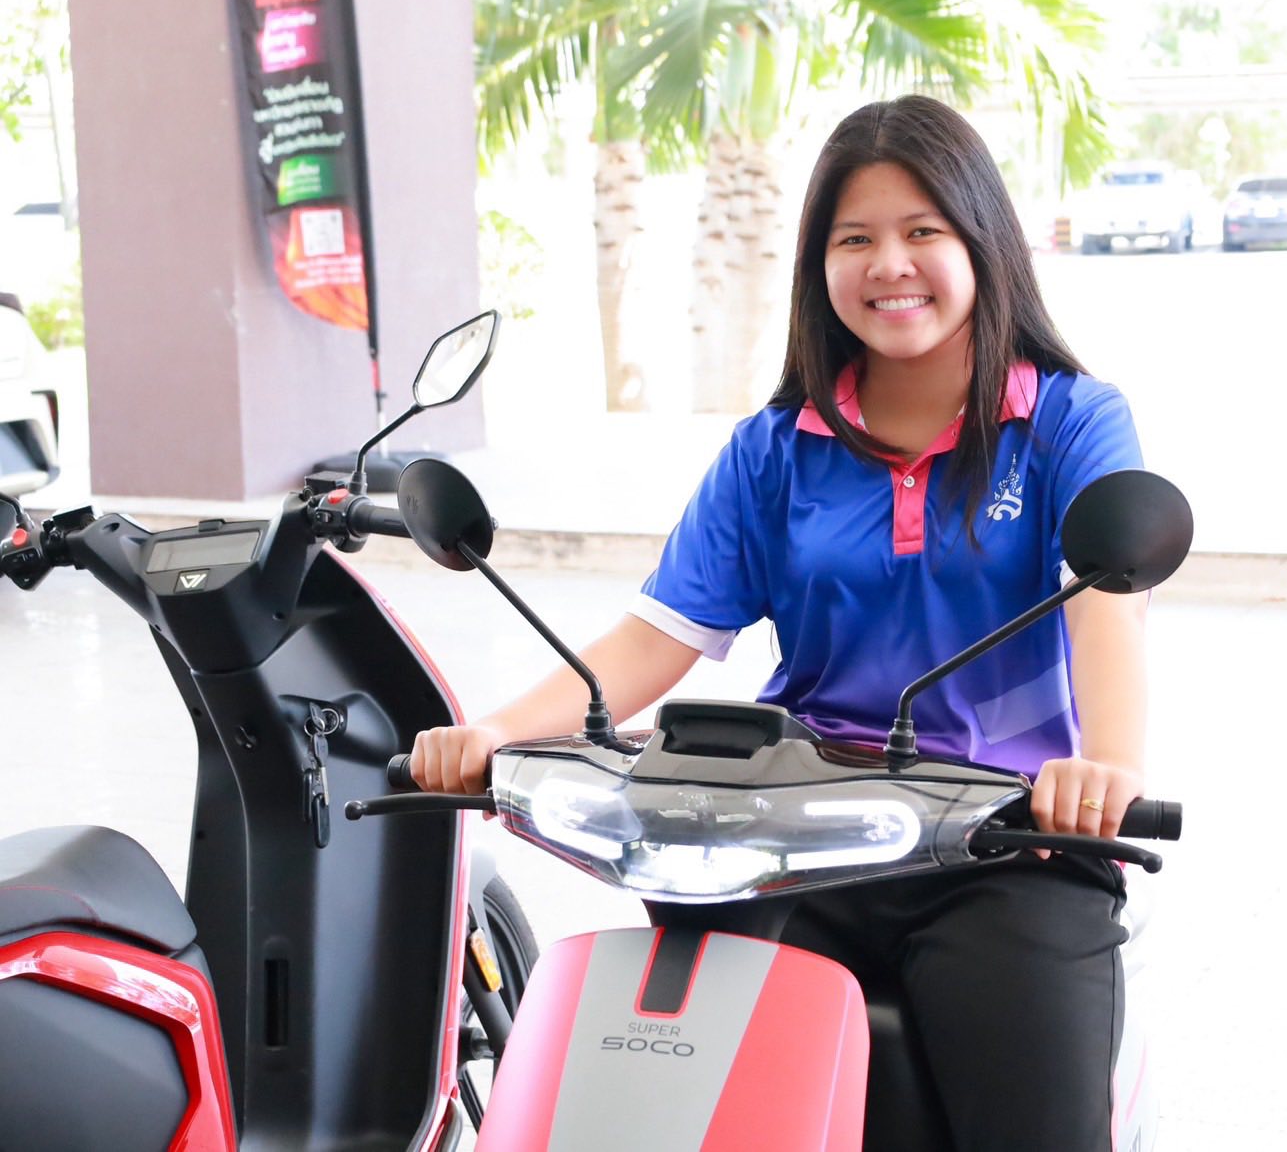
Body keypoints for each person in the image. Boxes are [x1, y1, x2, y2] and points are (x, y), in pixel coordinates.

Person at [412, 94, 1149, 1151]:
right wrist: (495, 734)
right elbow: (650, 640)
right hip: (796, 837)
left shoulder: (1070, 421)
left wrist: (1106, 769)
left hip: (1008, 839)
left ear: (983, 242)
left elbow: (1108, 602)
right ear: (818, 265)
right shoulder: (773, 449)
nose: (889, 264)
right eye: (855, 240)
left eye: (922, 230)